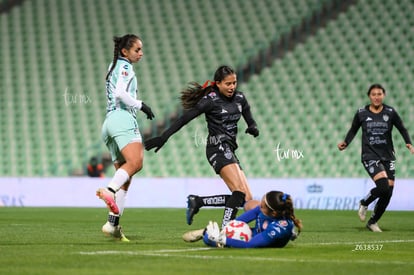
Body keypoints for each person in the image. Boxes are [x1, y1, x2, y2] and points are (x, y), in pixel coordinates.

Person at [145, 65, 259, 228]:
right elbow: (184, 118)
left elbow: (248, 115)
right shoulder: (210, 101)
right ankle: (225, 230)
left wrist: (253, 126)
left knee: (246, 199)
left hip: (229, 149)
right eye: (228, 84)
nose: (232, 87)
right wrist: (164, 136)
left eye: (234, 83)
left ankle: (198, 201)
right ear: (218, 83)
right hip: (217, 147)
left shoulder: (240, 98)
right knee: (239, 193)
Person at [96, 34, 155, 241]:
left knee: (126, 178)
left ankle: (112, 224)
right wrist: (141, 105)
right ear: (125, 51)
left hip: (109, 122)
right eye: (137, 50)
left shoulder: (112, 65)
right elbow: (121, 93)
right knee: (136, 163)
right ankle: (110, 190)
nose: (141, 53)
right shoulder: (125, 67)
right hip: (122, 119)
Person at [338, 83, 414, 232]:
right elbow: (353, 130)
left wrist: (409, 144)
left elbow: (402, 128)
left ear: (383, 95)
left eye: (379, 94)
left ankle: (372, 222)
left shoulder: (390, 112)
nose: (377, 97)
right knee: (383, 186)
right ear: (369, 96)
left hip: (388, 156)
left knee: (388, 192)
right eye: (374, 94)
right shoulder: (361, 113)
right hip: (370, 154)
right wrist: (346, 142)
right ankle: (364, 203)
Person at [183, 191, 302, 248]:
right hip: (254, 233)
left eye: (262, 206)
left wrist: (221, 238)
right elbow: (237, 222)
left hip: (257, 238)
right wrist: (226, 230)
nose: (259, 206)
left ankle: (204, 232)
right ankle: (204, 232)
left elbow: (251, 245)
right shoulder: (263, 210)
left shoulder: (278, 228)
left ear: (274, 213)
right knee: (210, 238)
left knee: (209, 239)